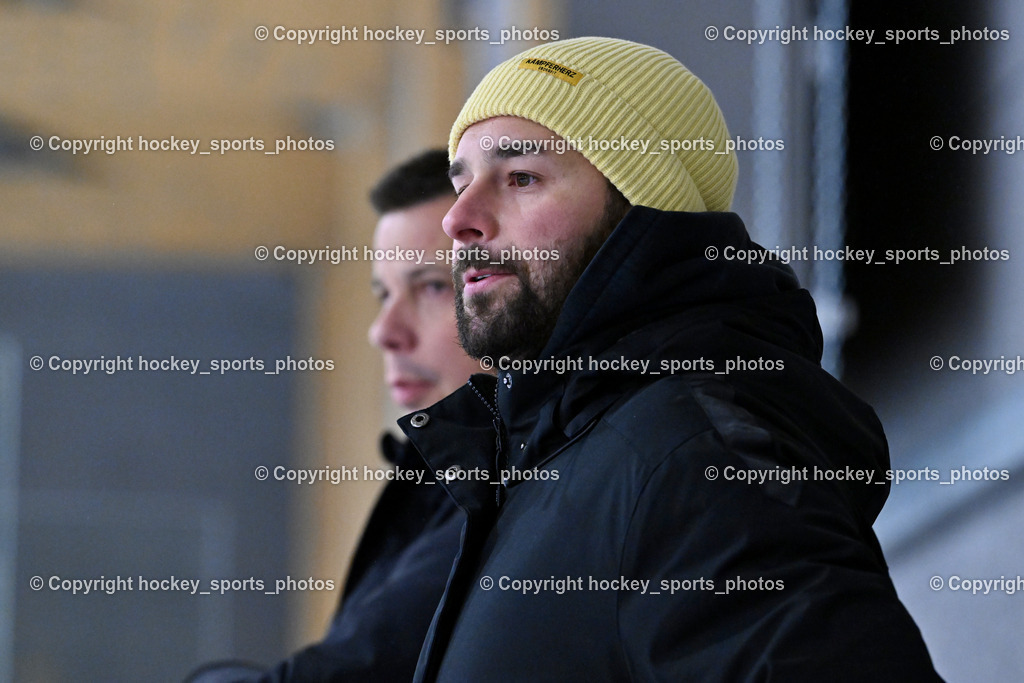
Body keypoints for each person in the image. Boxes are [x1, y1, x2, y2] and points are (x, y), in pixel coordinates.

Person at [398, 38, 944, 681]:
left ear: (641, 210)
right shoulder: (561, 457)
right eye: (461, 182)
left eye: (522, 177)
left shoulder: (690, 451)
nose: (459, 218)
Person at [187, 149, 479, 682]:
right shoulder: (447, 480)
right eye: (383, 294)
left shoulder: (504, 501)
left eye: (434, 287)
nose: (385, 332)